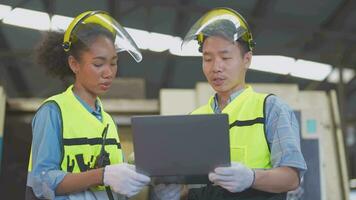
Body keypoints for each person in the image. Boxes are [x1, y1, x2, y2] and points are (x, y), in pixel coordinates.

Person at [181, 7, 307, 200]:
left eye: (225, 57)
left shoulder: (270, 109)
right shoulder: (195, 118)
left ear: (246, 60)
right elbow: (190, 185)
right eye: (207, 59)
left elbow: (291, 177)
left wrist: (252, 178)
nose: (216, 67)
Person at [25, 10, 152, 200]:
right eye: (99, 64)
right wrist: (101, 175)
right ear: (74, 64)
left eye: (114, 63)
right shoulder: (53, 111)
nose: (108, 73)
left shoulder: (108, 122)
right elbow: (41, 182)